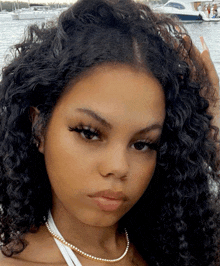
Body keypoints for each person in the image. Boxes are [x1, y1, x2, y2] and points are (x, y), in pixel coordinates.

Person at [0, 0, 219, 265]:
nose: (118, 167)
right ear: (39, 129)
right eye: (89, 133)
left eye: (143, 144)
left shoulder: (183, 246)